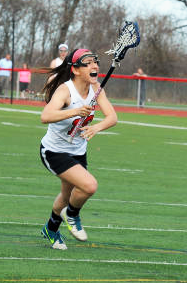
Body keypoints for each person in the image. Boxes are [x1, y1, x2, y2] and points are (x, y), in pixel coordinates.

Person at [39, 48, 118, 250]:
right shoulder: (65, 90)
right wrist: (74, 111)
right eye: (88, 63)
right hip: (54, 151)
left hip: (78, 151)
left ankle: (51, 228)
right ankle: (72, 214)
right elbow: (45, 116)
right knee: (89, 186)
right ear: (75, 70)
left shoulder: (97, 89)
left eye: (96, 62)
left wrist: (96, 127)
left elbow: (112, 118)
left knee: (66, 196)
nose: (95, 66)